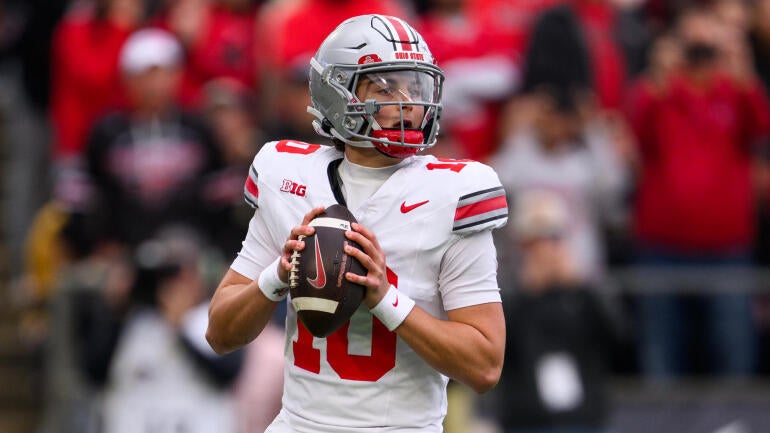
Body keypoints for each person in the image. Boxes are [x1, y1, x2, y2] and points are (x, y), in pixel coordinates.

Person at [206, 14, 509, 433]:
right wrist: (276, 276)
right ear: (337, 93)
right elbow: (220, 334)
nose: (408, 102)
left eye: (415, 86)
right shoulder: (287, 176)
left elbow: (485, 365)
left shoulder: (453, 193)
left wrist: (384, 298)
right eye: (386, 86)